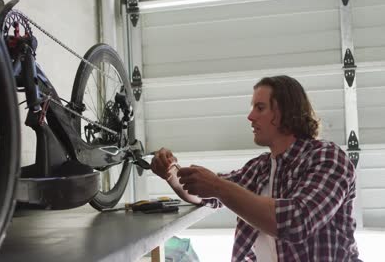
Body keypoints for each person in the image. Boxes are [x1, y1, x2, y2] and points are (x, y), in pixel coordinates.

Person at [150, 75, 361, 261]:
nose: (250, 117)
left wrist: (217, 186)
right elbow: (207, 196)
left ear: (287, 112)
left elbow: (298, 221)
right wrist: (172, 173)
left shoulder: (327, 157)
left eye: (260, 108)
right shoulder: (261, 168)